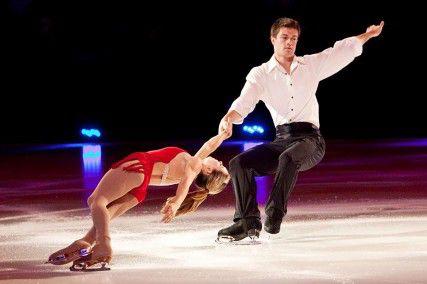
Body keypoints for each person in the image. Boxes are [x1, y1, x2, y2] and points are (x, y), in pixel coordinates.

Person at [217, 18, 384, 241]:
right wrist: (229, 118)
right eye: (284, 38)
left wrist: (366, 36)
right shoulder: (261, 74)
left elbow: (339, 52)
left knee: (288, 157)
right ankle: (247, 222)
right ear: (272, 39)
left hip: (311, 141)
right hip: (281, 139)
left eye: (293, 38)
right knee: (239, 164)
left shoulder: (310, 66)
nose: (289, 43)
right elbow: (243, 103)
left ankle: (274, 214)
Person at [47, 126, 231, 267]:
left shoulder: (195, 164)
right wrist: (222, 135)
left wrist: (175, 203)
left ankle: (103, 245)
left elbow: (184, 188)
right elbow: (209, 146)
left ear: (207, 170)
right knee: (106, 213)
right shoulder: (191, 166)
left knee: (96, 201)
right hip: (140, 188)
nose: (220, 160)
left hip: (140, 167)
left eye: (220, 165)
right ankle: (87, 242)